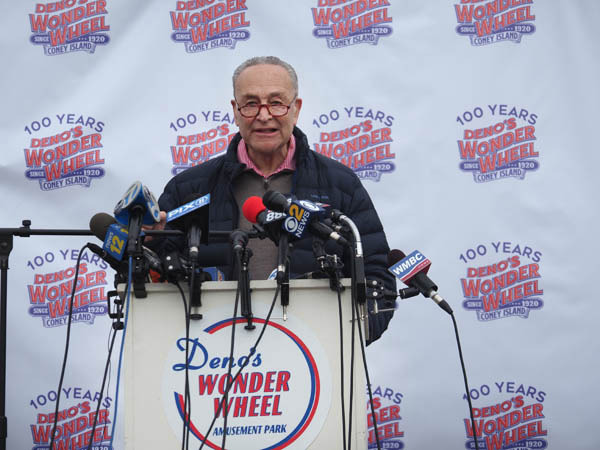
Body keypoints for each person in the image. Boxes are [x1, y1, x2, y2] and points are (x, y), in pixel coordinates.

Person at [148, 56, 395, 343]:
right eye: (250, 104)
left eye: (276, 103)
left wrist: (344, 341)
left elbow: (376, 276)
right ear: (235, 111)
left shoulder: (340, 184)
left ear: (296, 109)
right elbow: (156, 277)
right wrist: (151, 242)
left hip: (313, 356)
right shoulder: (189, 187)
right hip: (213, 354)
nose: (264, 115)